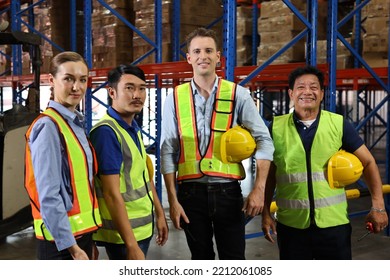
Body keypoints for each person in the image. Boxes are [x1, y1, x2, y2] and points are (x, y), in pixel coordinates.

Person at [160, 27, 274, 260]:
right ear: (189, 58)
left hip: (228, 193)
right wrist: (172, 200)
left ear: (218, 56)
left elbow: (264, 141)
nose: (204, 56)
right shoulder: (174, 97)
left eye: (209, 51)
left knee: (234, 259)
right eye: (197, 51)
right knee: (200, 259)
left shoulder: (238, 94)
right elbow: (168, 150)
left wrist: (259, 190)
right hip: (190, 194)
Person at [261, 65, 389, 260]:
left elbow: (369, 162)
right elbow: (270, 173)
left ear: (321, 94)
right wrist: (265, 213)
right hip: (291, 227)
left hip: (333, 226)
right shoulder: (275, 128)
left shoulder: (338, 124)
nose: (307, 92)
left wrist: (378, 206)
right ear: (291, 93)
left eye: (314, 87)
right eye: (301, 87)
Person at [24, 51, 102, 260]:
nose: (77, 87)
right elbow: (48, 195)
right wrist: (73, 248)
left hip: (81, 236)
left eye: (82, 80)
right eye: (68, 79)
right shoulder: (49, 127)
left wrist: (88, 240)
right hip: (60, 246)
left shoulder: (73, 124)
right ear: (52, 80)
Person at [89, 64, 168, 260]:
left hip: (141, 229)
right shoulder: (107, 133)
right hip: (124, 237)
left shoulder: (131, 127)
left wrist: (159, 214)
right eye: (129, 88)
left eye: (142, 88)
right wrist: (131, 245)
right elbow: (111, 194)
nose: (137, 95)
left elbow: (145, 177)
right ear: (112, 92)